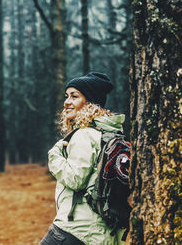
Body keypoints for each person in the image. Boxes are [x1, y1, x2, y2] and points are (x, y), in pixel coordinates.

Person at [40, 72, 127, 245]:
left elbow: (75, 179)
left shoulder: (84, 135)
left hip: (75, 229)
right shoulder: (109, 135)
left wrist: (54, 156)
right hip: (103, 233)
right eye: (66, 96)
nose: (67, 102)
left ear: (89, 102)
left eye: (74, 96)